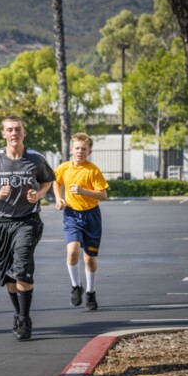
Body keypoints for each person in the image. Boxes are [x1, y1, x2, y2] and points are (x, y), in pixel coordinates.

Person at [0, 115, 55, 341]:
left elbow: (47, 181)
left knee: (22, 267)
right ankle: (18, 313)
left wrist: (39, 194)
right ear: (3, 133)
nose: (14, 133)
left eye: (18, 129)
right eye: (10, 130)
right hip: (2, 223)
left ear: (24, 133)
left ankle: (24, 320)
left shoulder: (35, 158)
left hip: (28, 221)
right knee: (8, 276)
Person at [53, 132, 109, 311]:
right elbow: (56, 181)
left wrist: (84, 191)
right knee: (72, 251)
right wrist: (58, 198)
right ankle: (76, 286)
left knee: (90, 259)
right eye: (77, 148)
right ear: (71, 149)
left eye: (84, 149)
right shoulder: (63, 168)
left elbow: (103, 195)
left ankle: (90, 292)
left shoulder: (92, 170)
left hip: (91, 215)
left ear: (89, 151)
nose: (80, 151)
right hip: (71, 214)